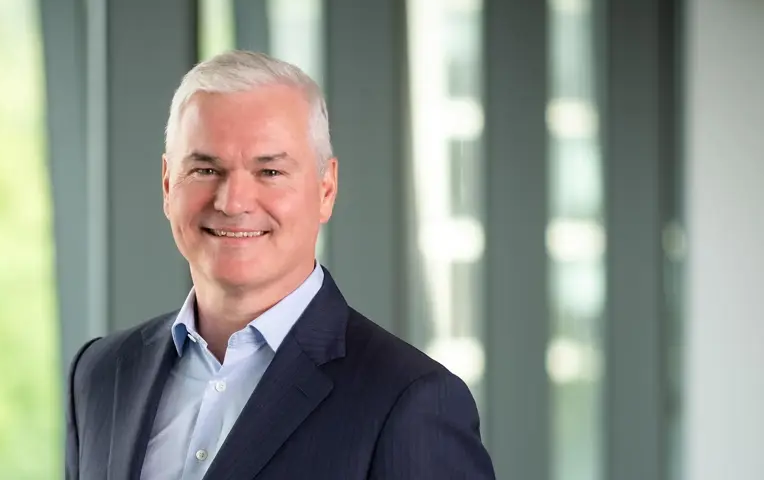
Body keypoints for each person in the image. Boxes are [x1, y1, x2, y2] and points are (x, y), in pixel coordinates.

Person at [64, 50, 495, 480]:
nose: (232, 202)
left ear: (326, 189)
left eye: (269, 172)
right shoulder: (101, 374)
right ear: (166, 184)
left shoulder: (409, 401)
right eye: (204, 169)